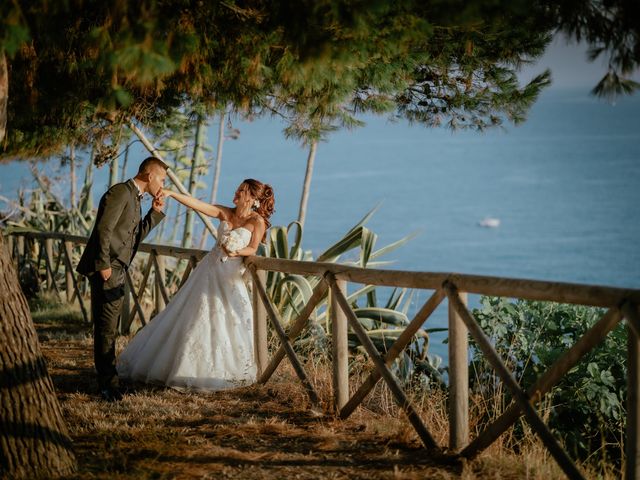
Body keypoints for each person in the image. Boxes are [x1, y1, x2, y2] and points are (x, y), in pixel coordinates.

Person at [116, 178, 275, 392]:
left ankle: (214, 372)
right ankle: (176, 366)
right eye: (237, 189)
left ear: (253, 198)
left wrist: (236, 251)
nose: (236, 193)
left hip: (230, 278)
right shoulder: (226, 212)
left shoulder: (257, 221)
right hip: (209, 272)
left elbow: (253, 248)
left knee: (225, 323)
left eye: (241, 191)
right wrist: (172, 193)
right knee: (192, 317)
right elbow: (196, 205)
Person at [77, 157, 168, 402]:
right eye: (161, 178)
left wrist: (155, 213)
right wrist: (103, 264)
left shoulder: (137, 198)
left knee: (111, 326)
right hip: (108, 268)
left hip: (119, 269)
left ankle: (110, 381)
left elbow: (134, 236)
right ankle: (108, 386)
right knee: (106, 328)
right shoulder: (120, 192)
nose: (162, 184)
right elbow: (103, 230)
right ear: (149, 176)